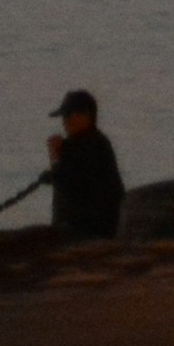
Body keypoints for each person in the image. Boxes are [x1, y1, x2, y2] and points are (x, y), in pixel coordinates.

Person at [46, 89, 124, 239]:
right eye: (65, 117)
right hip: (88, 228)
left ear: (86, 116)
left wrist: (57, 162)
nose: (66, 122)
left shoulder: (92, 145)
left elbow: (74, 185)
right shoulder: (82, 144)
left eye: (69, 115)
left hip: (93, 230)